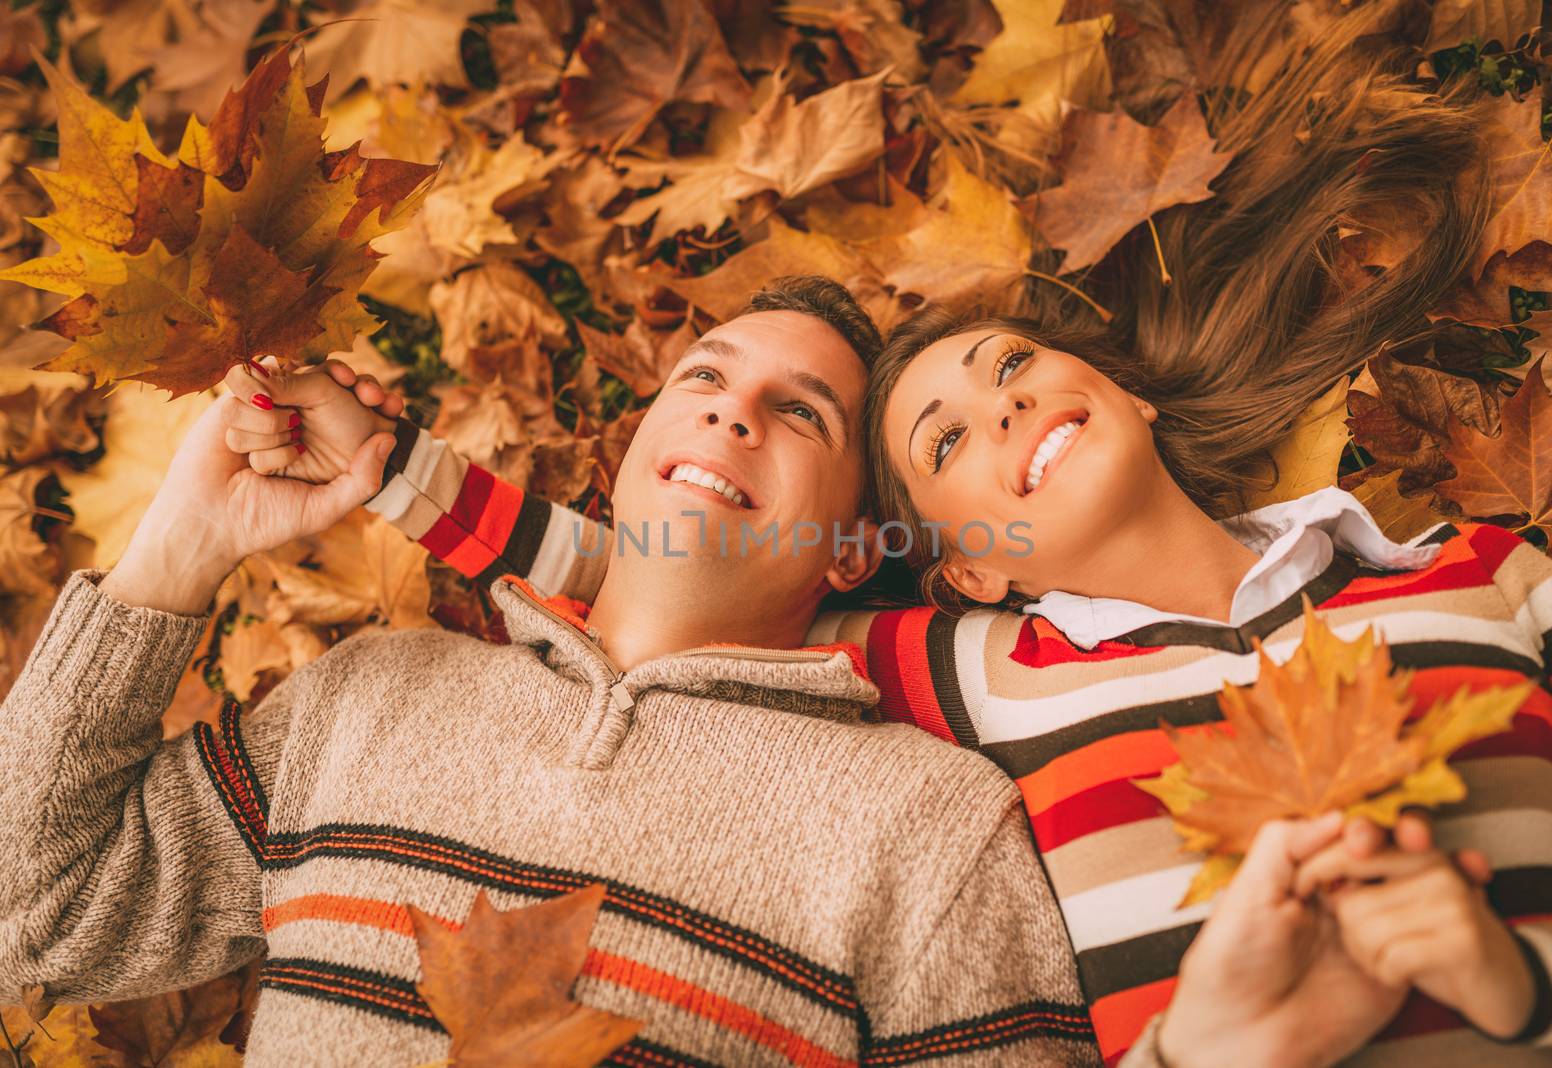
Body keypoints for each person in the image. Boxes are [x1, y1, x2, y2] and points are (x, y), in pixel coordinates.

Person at [263, 6, 1552, 1066]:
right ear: (971, 565)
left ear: (1125, 393)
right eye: (948, 443)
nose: (1004, 400)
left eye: (1014, 364)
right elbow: (665, 573)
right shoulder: (979, 674)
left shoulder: (1494, 581)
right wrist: (386, 468)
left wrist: (1527, 984)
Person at [1, 279, 1124, 1066]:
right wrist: (182, 544)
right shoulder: (368, 698)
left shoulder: (929, 827)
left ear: (848, 546)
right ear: (633, 446)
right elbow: (33, 913)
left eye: (799, 415)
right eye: (705, 377)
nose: (733, 409)